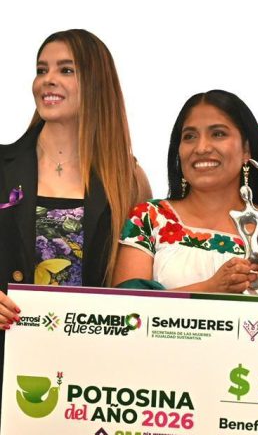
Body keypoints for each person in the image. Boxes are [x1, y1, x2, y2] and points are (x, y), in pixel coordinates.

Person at [0, 29, 152, 331]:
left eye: (66, 70)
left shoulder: (128, 178)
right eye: (41, 70)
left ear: (97, 83)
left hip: (89, 351)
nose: (47, 79)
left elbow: (137, 285)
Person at [112, 90, 258, 292]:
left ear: (246, 149)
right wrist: (211, 287)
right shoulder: (149, 218)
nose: (201, 148)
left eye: (218, 134)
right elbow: (126, 307)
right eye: (189, 136)